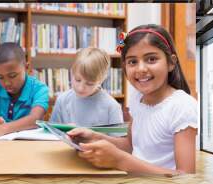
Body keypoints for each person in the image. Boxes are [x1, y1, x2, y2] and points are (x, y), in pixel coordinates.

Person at [67, 24, 198, 175]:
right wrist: (94, 136)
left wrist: (119, 160)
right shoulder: (138, 98)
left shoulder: (183, 106)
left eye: (151, 59)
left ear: (171, 63)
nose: (141, 69)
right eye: (132, 62)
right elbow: (130, 145)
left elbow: (186, 177)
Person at [0, 42, 49, 138]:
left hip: (29, 145)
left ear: (26, 67)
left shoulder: (40, 89)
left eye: (12, 76)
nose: (6, 83)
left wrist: (2, 129)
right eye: (0, 77)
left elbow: (36, 119)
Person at [50, 47, 123, 127]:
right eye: (77, 80)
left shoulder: (112, 107)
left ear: (101, 80)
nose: (80, 88)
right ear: (72, 72)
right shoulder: (62, 100)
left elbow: (117, 139)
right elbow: (51, 133)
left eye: (89, 84)